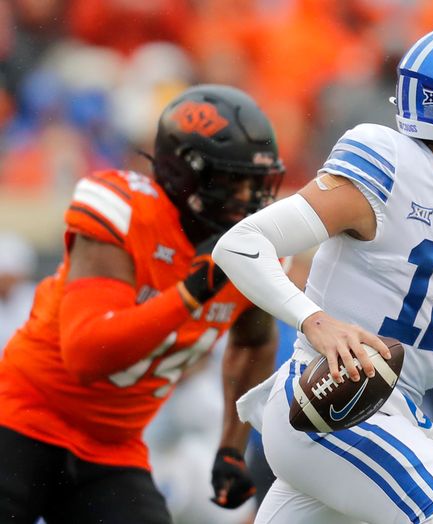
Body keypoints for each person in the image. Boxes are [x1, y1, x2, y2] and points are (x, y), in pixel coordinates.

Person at [214, 24, 433, 524]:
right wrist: (314, 320)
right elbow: (241, 245)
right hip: (328, 397)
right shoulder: (386, 165)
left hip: (395, 412)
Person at [0, 84, 284, 523]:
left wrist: (231, 444)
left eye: (258, 184)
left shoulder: (254, 248)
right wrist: (192, 292)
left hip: (113, 448)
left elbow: (255, 341)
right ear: (186, 173)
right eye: (235, 181)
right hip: (22, 418)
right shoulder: (125, 210)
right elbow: (86, 354)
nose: (250, 199)